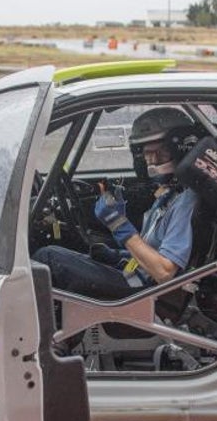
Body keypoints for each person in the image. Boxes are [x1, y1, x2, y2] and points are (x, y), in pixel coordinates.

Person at [32, 107, 199, 299]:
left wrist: (119, 225)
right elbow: (151, 249)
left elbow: (164, 273)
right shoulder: (169, 195)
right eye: (146, 154)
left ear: (181, 148)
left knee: (47, 258)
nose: (151, 161)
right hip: (132, 273)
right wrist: (117, 255)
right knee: (63, 252)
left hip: (141, 290)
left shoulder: (186, 201)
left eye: (159, 153)